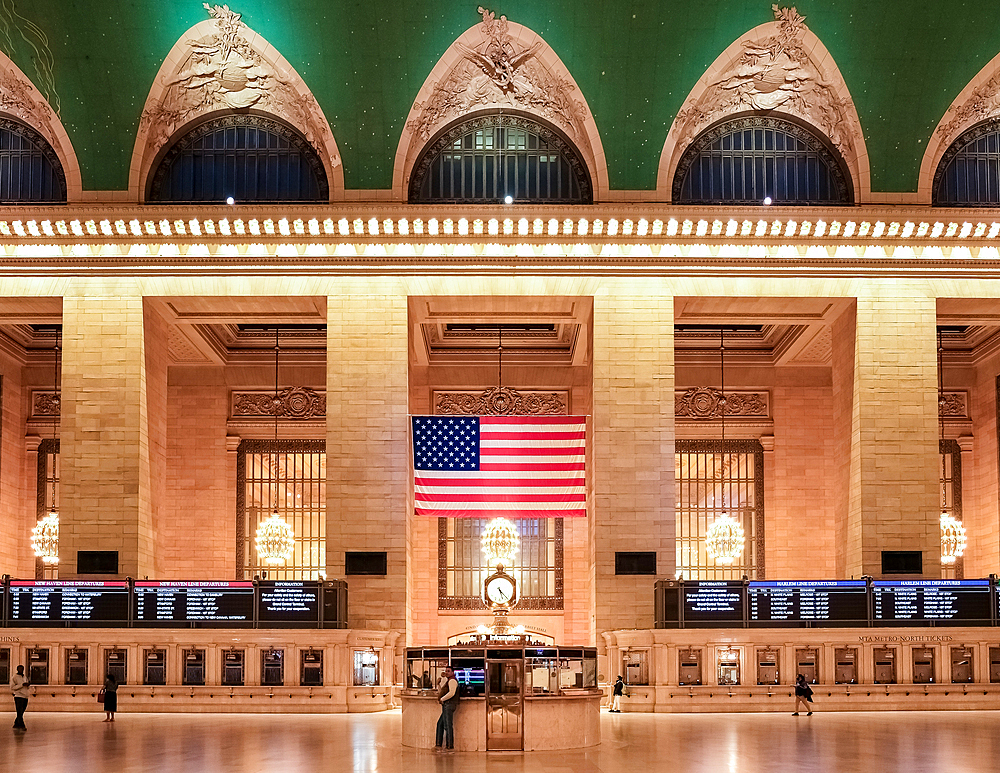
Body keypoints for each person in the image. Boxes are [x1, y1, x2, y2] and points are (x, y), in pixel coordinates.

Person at [433, 666, 459, 753]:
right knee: (440, 724)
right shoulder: (448, 681)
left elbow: (452, 693)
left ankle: (450, 747)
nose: (447, 673)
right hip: (446, 705)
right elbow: (442, 692)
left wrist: (442, 699)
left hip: (449, 705)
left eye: (449, 671)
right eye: (446, 671)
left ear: (452, 672)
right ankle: (438, 745)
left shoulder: (452, 681)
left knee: (448, 726)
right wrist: (438, 684)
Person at [10, 665, 29, 731]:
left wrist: (27, 685)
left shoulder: (24, 676)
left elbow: (25, 685)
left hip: (25, 696)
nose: (21, 670)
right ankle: (22, 725)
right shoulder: (14, 677)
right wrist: (21, 685)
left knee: (22, 711)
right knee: (19, 710)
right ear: (17, 669)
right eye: (20, 669)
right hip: (18, 696)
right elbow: (12, 687)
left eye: (22, 669)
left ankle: (16, 723)